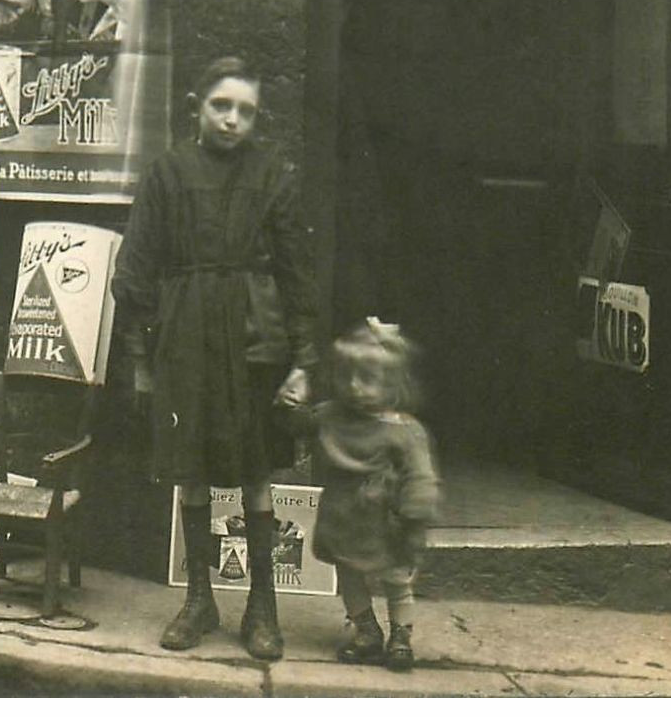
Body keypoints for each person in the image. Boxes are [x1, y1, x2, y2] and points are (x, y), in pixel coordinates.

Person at [112, 56, 319, 660]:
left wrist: (305, 362)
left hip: (255, 345)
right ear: (196, 106)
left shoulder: (274, 176)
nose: (232, 120)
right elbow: (135, 273)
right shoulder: (167, 174)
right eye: (221, 106)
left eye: (246, 111)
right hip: (184, 342)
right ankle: (199, 598)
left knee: (256, 473)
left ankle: (262, 606)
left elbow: (297, 275)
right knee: (192, 470)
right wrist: (142, 358)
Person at [278, 318, 440, 671]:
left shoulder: (403, 430)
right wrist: (292, 405)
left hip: (387, 518)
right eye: (347, 377)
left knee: (397, 579)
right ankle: (366, 630)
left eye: (367, 379)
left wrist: (414, 517)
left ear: (393, 383)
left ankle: (401, 635)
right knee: (349, 575)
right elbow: (301, 426)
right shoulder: (332, 415)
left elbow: (420, 477)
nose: (354, 387)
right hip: (344, 516)